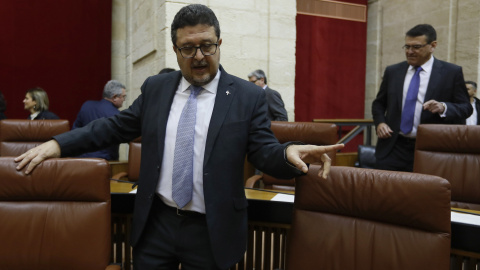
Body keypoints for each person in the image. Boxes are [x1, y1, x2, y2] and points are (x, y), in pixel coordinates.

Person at [14, 4, 343, 270]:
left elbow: (262, 150)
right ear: (175, 49)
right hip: (156, 224)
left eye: (207, 45)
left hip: (212, 231)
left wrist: (287, 154)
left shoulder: (247, 96)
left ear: (219, 44)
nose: (199, 56)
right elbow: (112, 127)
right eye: (188, 48)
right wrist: (58, 143)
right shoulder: (157, 89)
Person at [372, 24, 472, 172]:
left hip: (431, 149)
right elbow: (379, 104)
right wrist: (380, 122)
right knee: (387, 193)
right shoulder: (393, 71)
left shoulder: (451, 72)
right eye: (407, 47)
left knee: (422, 194)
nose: (410, 52)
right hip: (393, 147)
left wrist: (444, 107)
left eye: (416, 47)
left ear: (433, 46)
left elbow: (466, 108)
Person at [72, 80, 127, 160]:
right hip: (106, 163)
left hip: (80, 160)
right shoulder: (118, 115)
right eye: (123, 96)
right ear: (115, 97)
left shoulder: (86, 106)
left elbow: (74, 132)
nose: (124, 100)